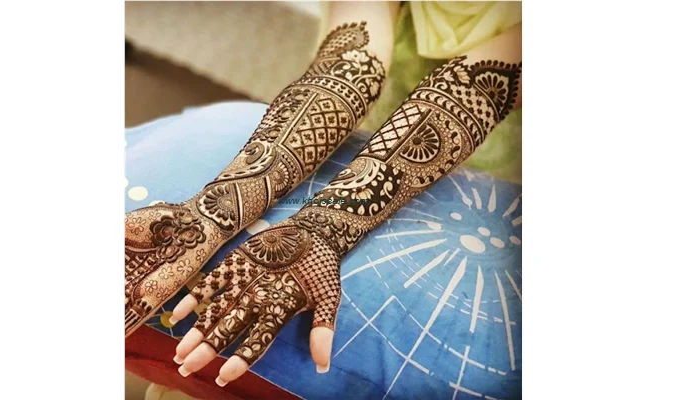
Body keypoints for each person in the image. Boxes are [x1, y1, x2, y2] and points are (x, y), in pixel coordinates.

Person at [125, 0, 522, 392]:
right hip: (335, 143)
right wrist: (213, 212)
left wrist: (324, 226)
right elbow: (353, 58)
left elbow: (480, 87)